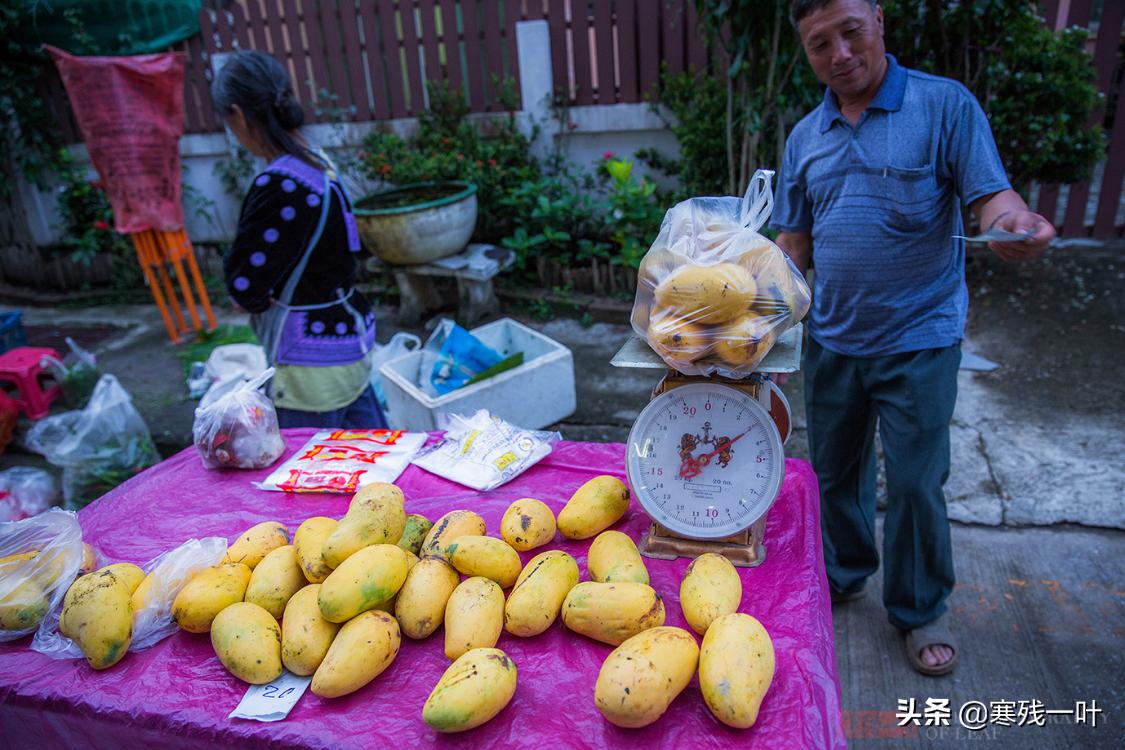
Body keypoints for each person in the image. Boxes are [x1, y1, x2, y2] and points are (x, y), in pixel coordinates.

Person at [772, 0, 1056, 676]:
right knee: (833, 472)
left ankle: (920, 606)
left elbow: (992, 198)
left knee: (915, 481)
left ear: (876, 20)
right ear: (806, 53)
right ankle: (842, 573)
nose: (838, 54)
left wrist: (1014, 224)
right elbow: (792, 245)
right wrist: (761, 330)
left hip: (919, 338)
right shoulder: (805, 136)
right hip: (834, 341)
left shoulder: (943, 105)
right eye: (819, 44)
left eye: (849, 32)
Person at [211, 50, 387, 430]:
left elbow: (244, 285)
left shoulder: (280, 184)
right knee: (376, 462)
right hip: (350, 344)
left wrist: (255, 294)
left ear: (239, 115)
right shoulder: (318, 164)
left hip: (311, 365)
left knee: (312, 478)